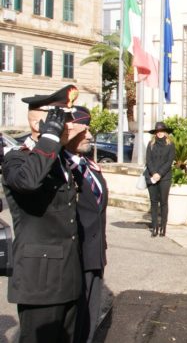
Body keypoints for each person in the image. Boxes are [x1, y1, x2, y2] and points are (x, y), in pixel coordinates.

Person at [2, 85, 85, 342]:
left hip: (68, 277)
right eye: (63, 119)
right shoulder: (17, 158)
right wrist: (48, 138)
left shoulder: (59, 160)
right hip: (40, 281)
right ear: (41, 124)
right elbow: (28, 182)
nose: (70, 126)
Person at [66, 107, 108, 343]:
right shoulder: (59, 165)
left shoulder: (90, 166)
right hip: (74, 257)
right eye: (84, 128)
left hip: (95, 255)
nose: (90, 135)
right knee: (72, 325)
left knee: (89, 322)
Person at [145, 122, 174, 237]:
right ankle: (155, 227)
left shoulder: (170, 144)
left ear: (165, 132)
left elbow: (169, 161)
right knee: (153, 202)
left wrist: (159, 174)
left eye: (162, 131)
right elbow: (148, 160)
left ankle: (163, 227)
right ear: (155, 133)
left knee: (163, 202)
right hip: (151, 177)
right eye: (158, 131)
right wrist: (153, 174)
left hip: (165, 177)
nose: (160, 133)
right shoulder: (150, 144)